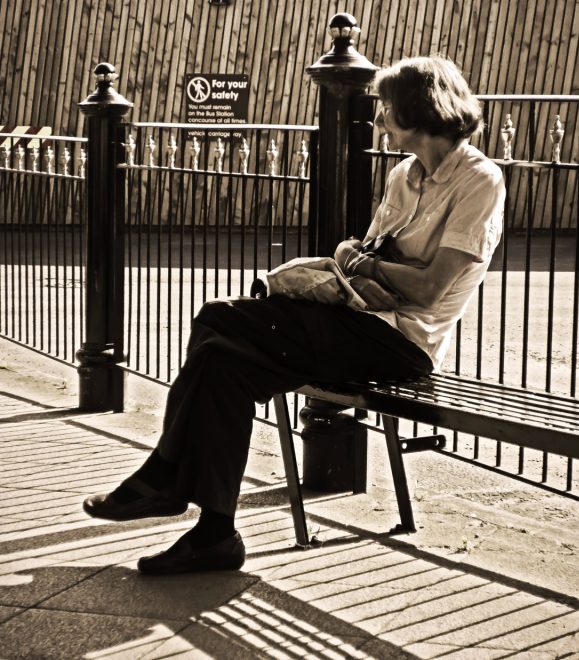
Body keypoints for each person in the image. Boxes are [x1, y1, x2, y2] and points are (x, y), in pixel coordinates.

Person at [83, 55, 506, 574]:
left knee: (219, 317)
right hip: (353, 320)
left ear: (420, 109)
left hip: (399, 345)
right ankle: (215, 535)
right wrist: (368, 265)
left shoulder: (479, 181)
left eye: (386, 109)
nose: (377, 122)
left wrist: (369, 265)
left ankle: (165, 474)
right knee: (221, 366)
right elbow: (366, 255)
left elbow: (431, 286)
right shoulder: (403, 175)